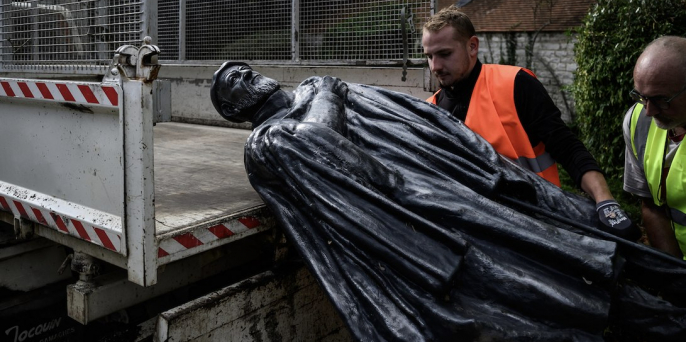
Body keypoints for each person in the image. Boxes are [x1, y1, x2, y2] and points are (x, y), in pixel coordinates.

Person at [209, 62, 686, 341]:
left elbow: (426, 118)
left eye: (246, 71)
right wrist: (326, 95)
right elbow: (328, 153)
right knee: (555, 283)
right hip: (430, 224)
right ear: (234, 110)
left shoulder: (323, 91)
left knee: (587, 243)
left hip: (474, 185)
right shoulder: (270, 140)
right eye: (236, 83)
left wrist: (487, 164)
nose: (248, 78)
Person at [422, 5, 639, 241]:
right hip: (473, 233)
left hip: (538, 225)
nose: (435, 67)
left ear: (472, 46)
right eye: (429, 56)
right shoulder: (430, 109)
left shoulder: (515, 84)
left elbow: (566, 147)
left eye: (444, 54)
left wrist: (605, 201)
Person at [624, 36, 686, 260]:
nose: (649, 111)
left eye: (661, 99)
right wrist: (674, 277)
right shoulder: (637, 120)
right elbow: (651, 205)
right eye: (641, 97)